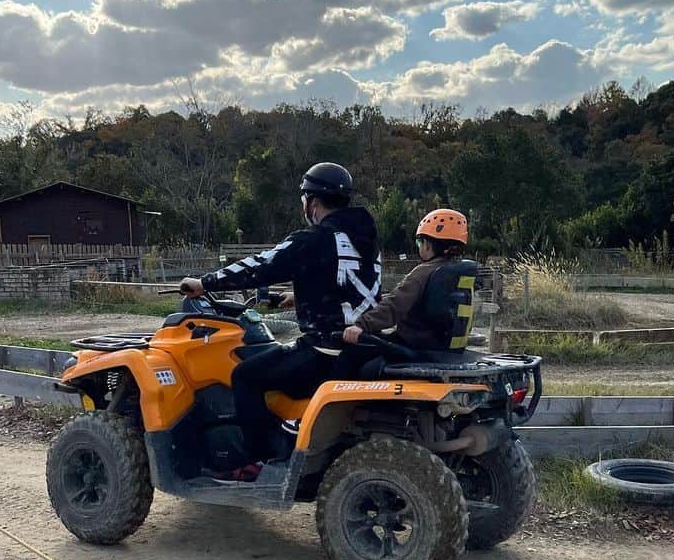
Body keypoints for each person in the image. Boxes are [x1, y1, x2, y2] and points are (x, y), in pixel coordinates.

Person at [180, 163, 380, 482]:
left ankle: (259, 461)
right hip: (361, 346)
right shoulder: (365, 241)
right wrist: (298, 296)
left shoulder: (314, 239)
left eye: (304, 199)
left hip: (324, 351)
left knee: (245, 375)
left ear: (311, 202)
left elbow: (262, 264)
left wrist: (205, 283)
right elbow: (347, 287)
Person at [343, 209, 475, 355]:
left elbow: (395, 304)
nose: (419, 246)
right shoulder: (459, 272)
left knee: (352, 358)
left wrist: (362, 325)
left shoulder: (423, 272)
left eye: (419, 242)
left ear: (428, 245)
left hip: (415, 347)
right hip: (444, 349)